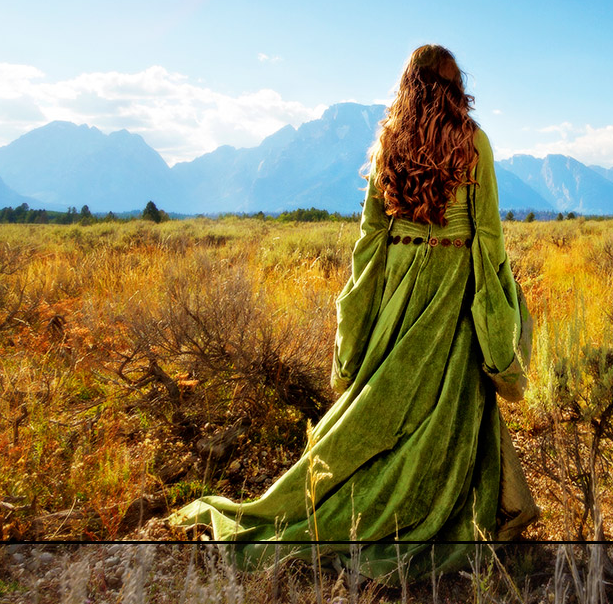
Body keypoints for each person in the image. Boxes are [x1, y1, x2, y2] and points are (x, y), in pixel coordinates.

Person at [168, 45, 538, 574]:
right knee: (446, 409)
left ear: (408, 84)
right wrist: (501, 309)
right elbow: (487, 237)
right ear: (457, 86)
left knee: (380, 405)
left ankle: (343, 502)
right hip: (453, 289)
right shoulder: (475, 144)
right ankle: (432, 507)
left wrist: (360, 321)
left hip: (400, 290)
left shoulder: (390, 143)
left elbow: (370, 242)